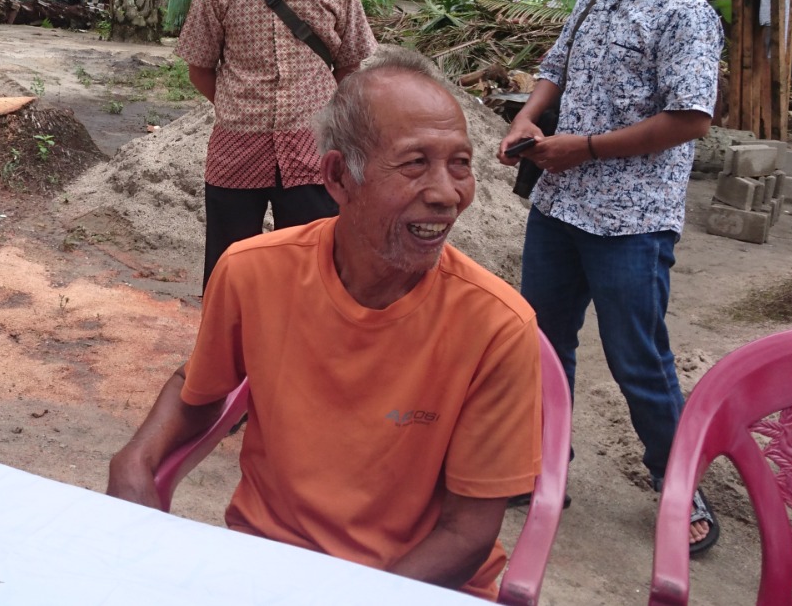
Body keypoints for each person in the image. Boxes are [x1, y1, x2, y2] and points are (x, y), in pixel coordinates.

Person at [108, 49, 541, 601]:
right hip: (267, 561)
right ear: (338, 176)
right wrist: (136, 458)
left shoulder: (497, 326)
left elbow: (467, 534)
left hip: (408, 585)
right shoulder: (253, 273)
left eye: (460, 164)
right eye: (414, 164)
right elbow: (198, 386)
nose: (446, 193)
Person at [497, 0, 723, 555]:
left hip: (631, 222)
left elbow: (690, 118)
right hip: (560, 207)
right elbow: (554, 68)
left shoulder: (685, 13)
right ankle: (545, 465)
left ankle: (679, 485)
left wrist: (587, 148)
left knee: (638, 358)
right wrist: (529, 118)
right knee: (543, 343)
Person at [175, 0, 376, 290]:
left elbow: (349, 66)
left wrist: (325, 121)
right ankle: (229, 337)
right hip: (236, 151)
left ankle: (303, 338)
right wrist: (238, 106)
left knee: (314, 272)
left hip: (312, 154)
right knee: (230, 268)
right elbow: (199, 67)